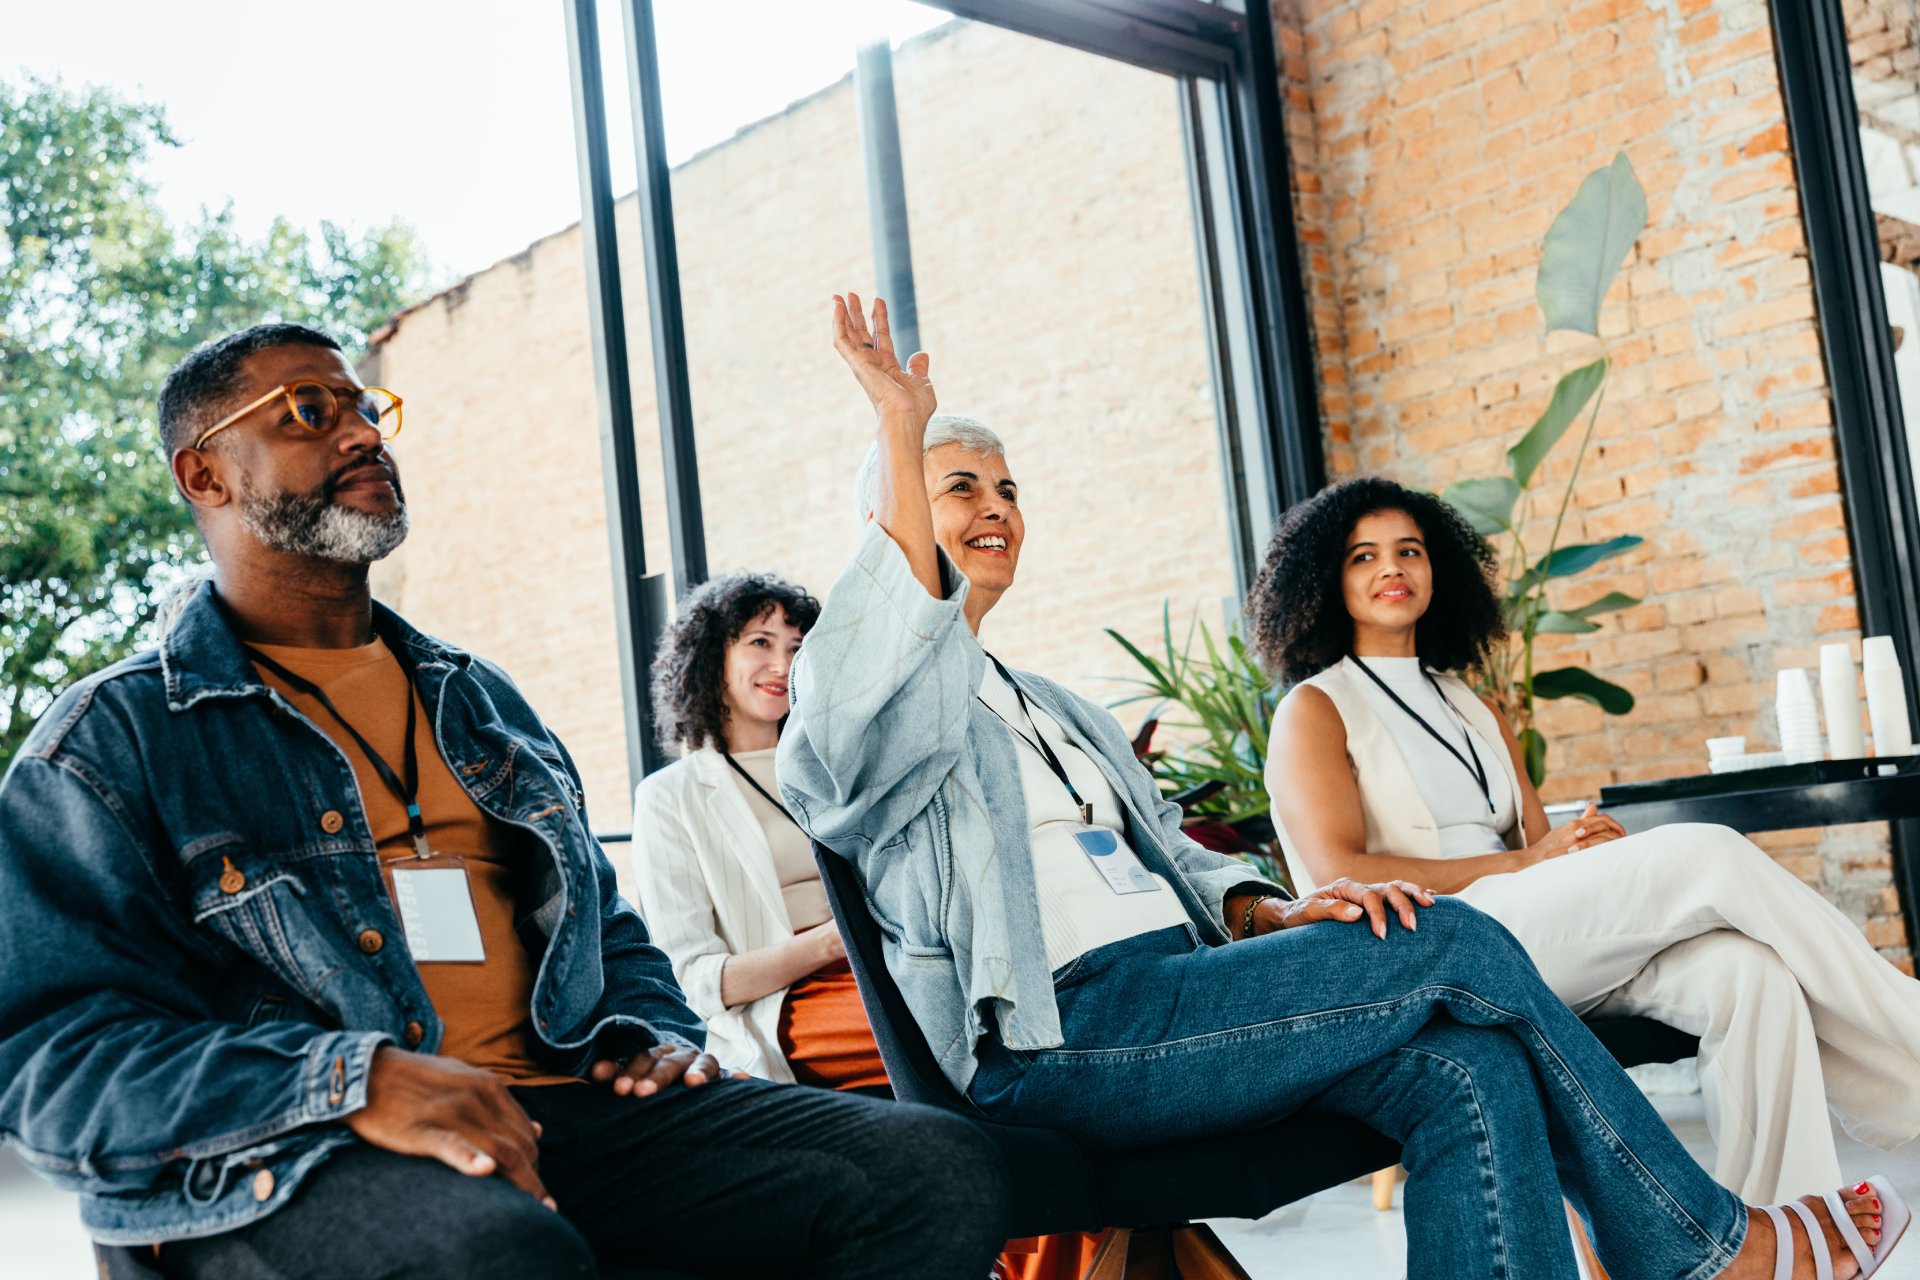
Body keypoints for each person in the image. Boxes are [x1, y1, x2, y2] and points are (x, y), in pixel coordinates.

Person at [776, 293, 1908, 1280]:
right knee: (1456, 942)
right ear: (888, 521)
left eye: (1007, 485)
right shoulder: (851, 690)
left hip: (1178, 991)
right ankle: (1700, 1245)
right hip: (1056, 1031)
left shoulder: (1053, 702)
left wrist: (1268, 907)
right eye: (957, 484)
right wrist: (897, 421)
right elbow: (858, 721)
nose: (995, 504)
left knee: (1471, 1063)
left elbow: (1178, 849)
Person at [0, 322, 1008, 1280]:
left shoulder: (478, 702)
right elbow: (49, 1055)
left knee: (934, 1168)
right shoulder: (114, 739)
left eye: (362, 406)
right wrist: (358, 1080)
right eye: (305, 410)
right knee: (498, 1252)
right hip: (303, 1150)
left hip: (570, 1110)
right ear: (203, 471)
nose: (359, 431)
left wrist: (650, 1029)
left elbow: (609, 933)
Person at [1250, 473, 1920, 1204]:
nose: (1391, 569)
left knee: (1750, 973)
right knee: (1710, 852)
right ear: (1325, 579)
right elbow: (1338, 870)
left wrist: (1586, 854)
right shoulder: (1314, 709)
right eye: (1363, 556)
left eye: (1409, 550)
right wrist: (1528, 860)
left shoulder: (1469, 703)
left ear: (1436, 566)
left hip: (1532, 931)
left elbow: (1539, 846)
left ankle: (1775, 1230)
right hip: (1436, 950)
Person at [632, 568, 1105, 1280]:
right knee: (1019, 1051)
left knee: (1044, 1093)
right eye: (760, 642)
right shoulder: (673, 798)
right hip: (798, 1003)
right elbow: (696, 980)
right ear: (710, 658)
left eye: (799, 644)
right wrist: (832, 941)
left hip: (904, 964)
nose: (784, 664)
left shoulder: (841, 767)